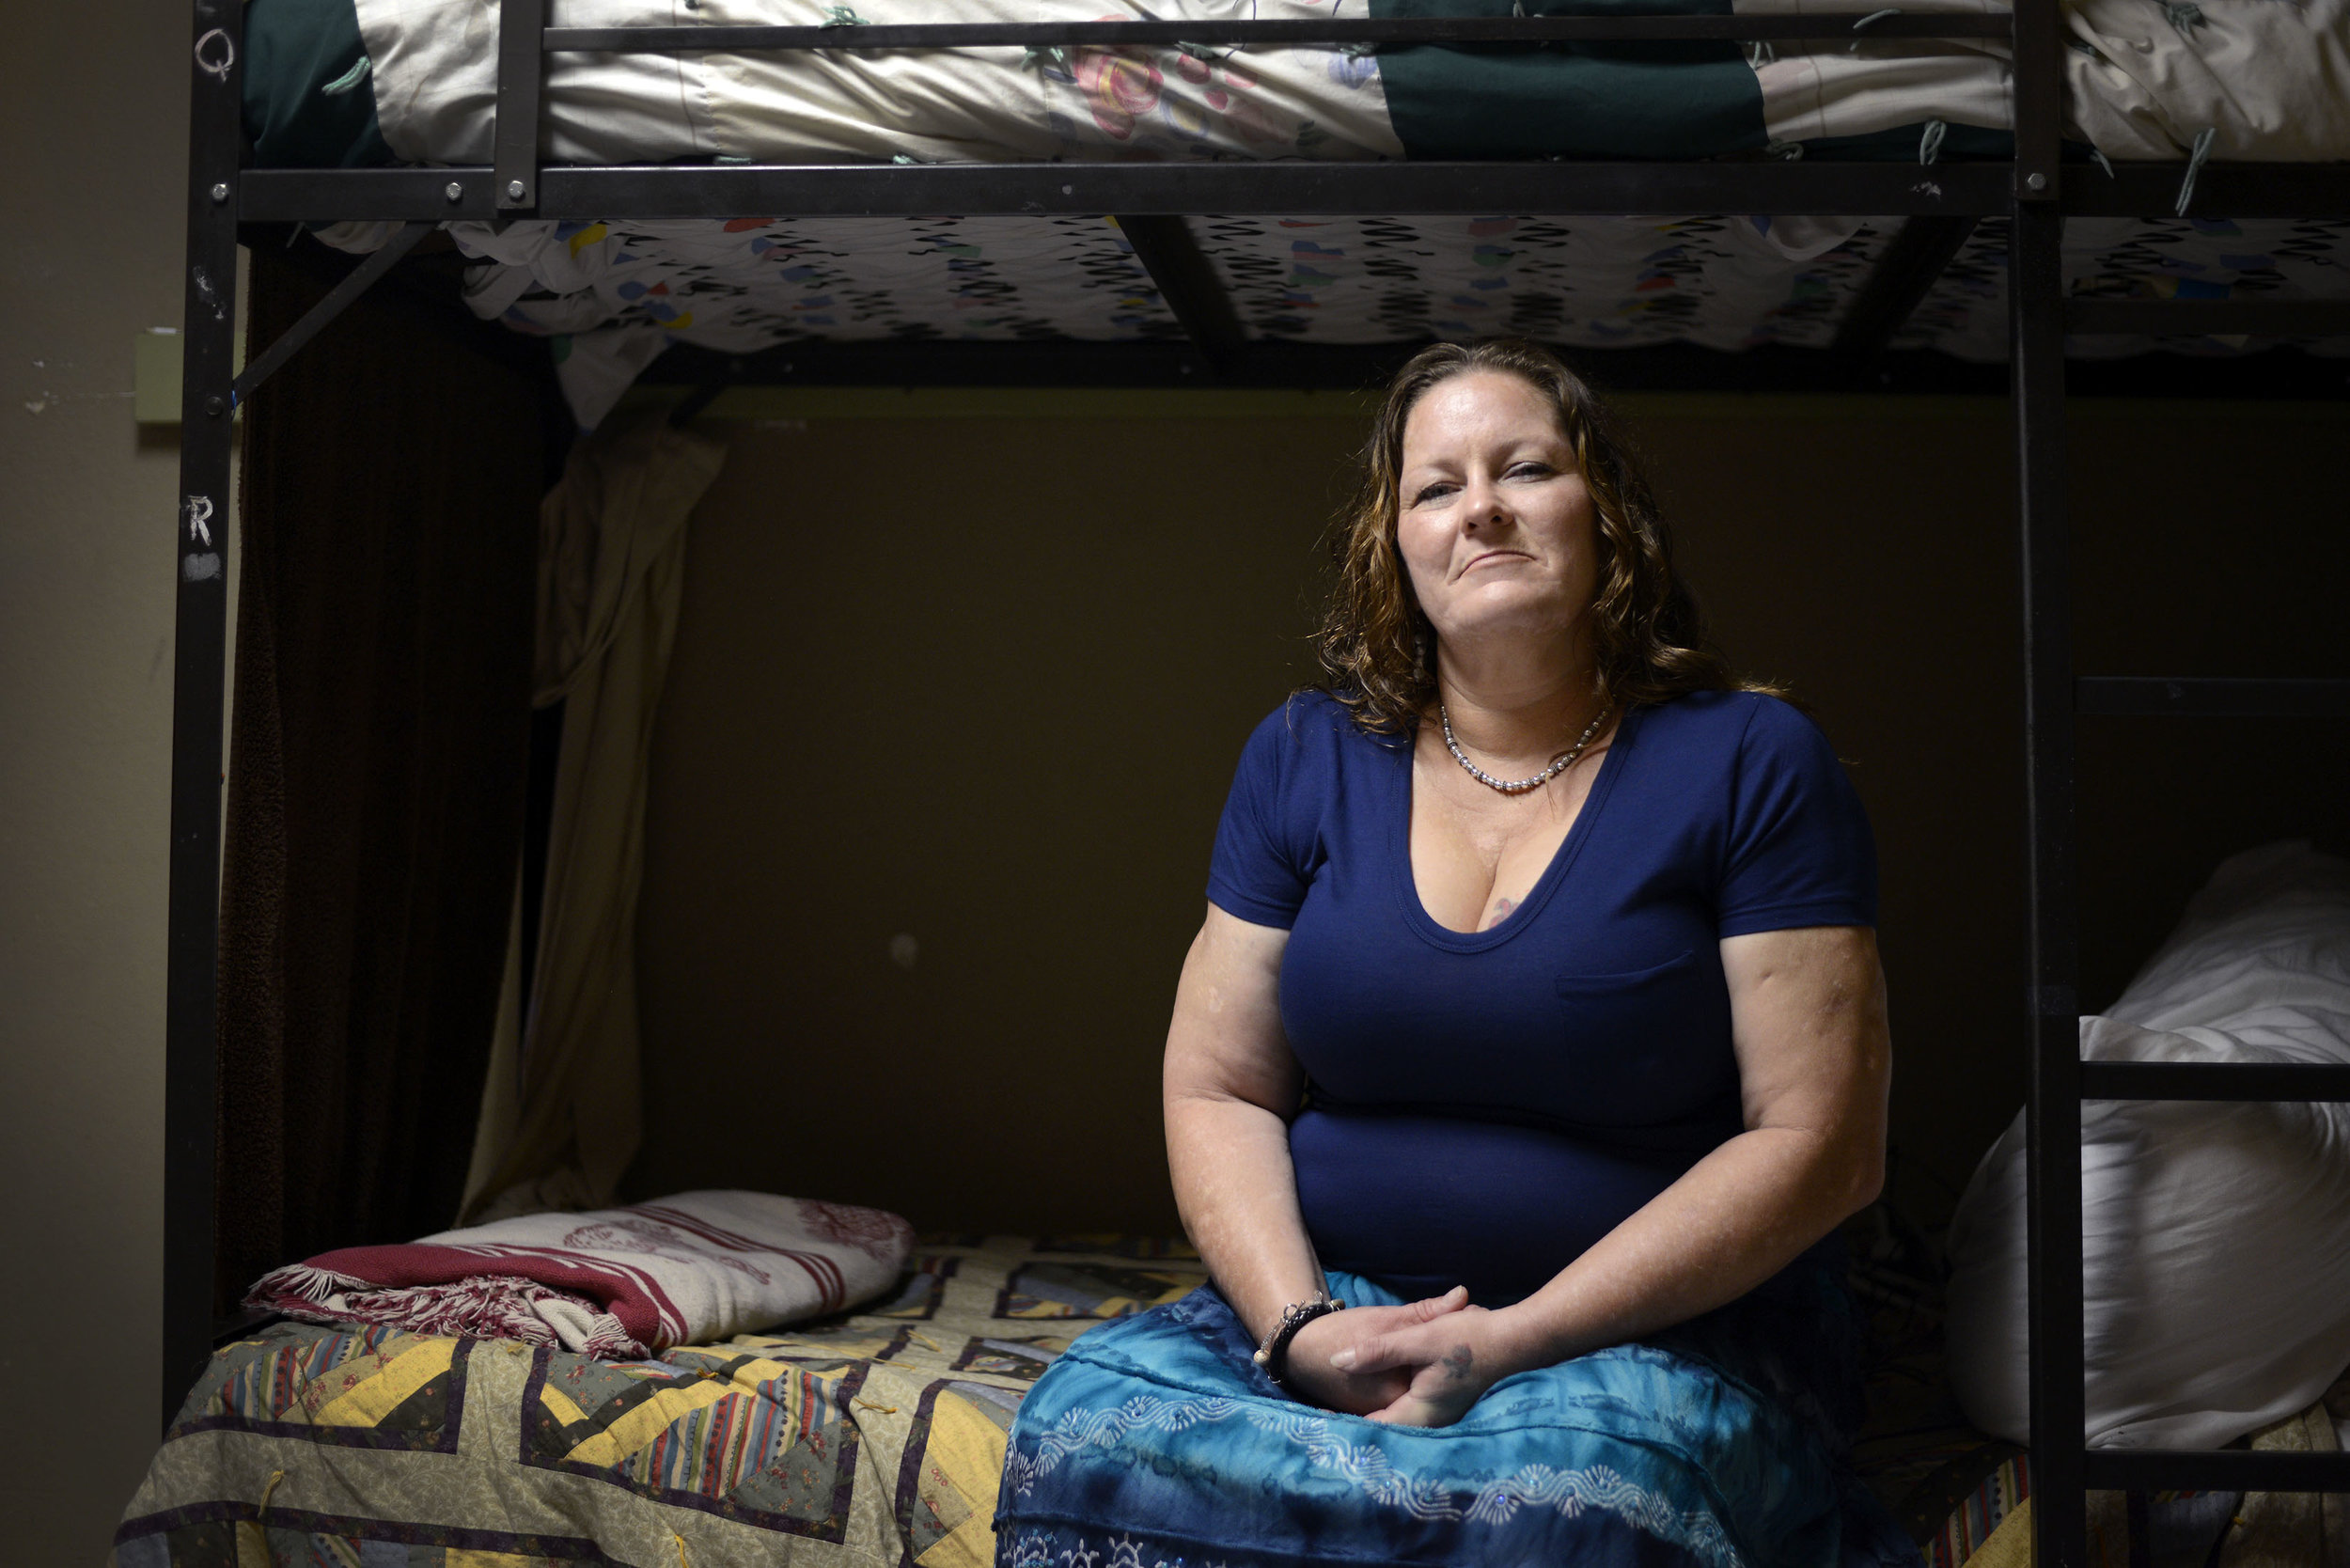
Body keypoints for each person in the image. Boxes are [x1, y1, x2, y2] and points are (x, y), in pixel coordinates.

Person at [993, 339, 1912, 1568]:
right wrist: (1298, 1330)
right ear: (1396, 546)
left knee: (1570, 1512)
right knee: (1084, 1438)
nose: (1480, 506)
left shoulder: (1751, 758)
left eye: (1525, 468)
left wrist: (1516, 1338)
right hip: (1338, 1303)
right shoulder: (1302, 755)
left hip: (1664, 1330)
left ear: (1608, 516)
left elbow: (1824, 1146)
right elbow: (1218, 1086)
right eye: (1436, 487)